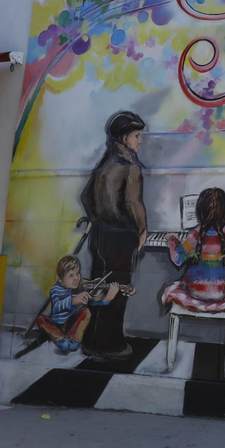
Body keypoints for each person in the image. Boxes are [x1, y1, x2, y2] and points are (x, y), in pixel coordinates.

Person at [80, 111, 148, 361]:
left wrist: (94, 219)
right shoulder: (130, 168)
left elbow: (86, 197)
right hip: (120, 238)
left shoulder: (104, 165)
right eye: (137, 136)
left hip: (99, 237)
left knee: (99, 288)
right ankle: (110, 345)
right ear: (125, 138)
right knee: (117, 291)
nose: (140, 141)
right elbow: (133, 202)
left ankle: (91, 342)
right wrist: (142, 228)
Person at [162, 187, 225, 312]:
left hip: (194, 291)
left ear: (199, 211)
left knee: (178, 283)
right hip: (221, 293)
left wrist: (172, 239)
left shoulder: (196, 234)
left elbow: (177, 258)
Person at [22, 256, 120, 354]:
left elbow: (92, 302)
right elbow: (57, 307)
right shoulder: (56, 290)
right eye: (71, 275)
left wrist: (107, 298)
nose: (76, 278)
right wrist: (72, 301)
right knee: (41, 319)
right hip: (56, 324)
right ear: (61, 278)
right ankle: (61, 340)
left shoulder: (80, 288)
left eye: (77, 273)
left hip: (71, 325)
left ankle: (74, 340)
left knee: (86, 311)